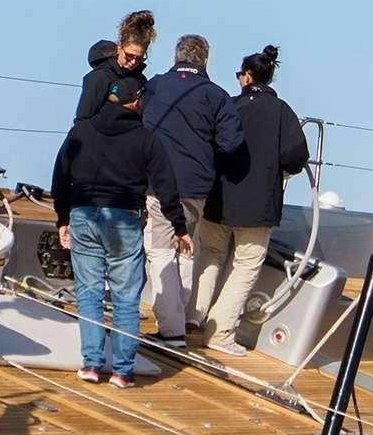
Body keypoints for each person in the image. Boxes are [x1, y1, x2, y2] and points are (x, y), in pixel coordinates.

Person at [50, 67, 178, 389]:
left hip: (83, 215)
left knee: (89, 293)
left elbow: (60, 176)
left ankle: (91, 365)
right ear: (136, 102)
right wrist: (180, 224)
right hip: (123, 218)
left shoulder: (81, 131)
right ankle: (122, 371)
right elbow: (165, 183)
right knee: (125, 298)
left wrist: (63, 217)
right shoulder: (147, 138)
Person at [197, 44, 310, 356]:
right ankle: (219, 333)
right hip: (259, 204)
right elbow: (296, 156)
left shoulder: (229, 105)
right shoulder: (282, 112)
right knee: (245, 266)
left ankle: (190, 317)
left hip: (218, 198)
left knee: (208, 255)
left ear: (246, 77)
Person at [142, 34, 246, 342]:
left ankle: (170, 329)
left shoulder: (155, 86)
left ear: (176, 57)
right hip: (198, 187)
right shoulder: (217, 95)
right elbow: (231, 143)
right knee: (186, 250)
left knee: (159, 252)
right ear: (206, 60)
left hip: (157, 183)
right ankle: (183, 317)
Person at [73, 9, 156, 122]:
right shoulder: (99, 78)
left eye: (139, 58)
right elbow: (82, 121)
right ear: (119, 47)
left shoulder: (141, 81)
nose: (133, 62)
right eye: (130, 56)